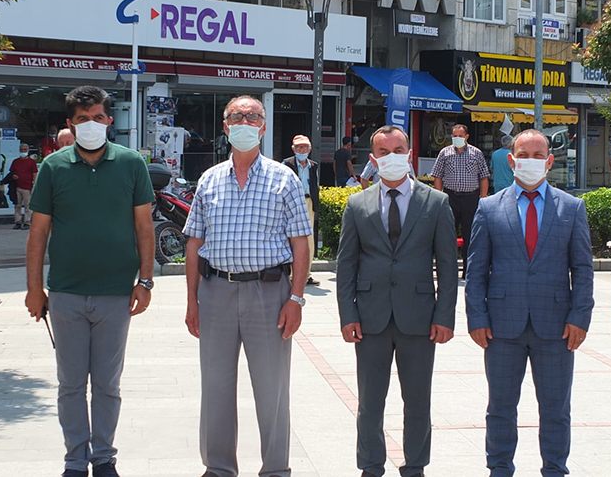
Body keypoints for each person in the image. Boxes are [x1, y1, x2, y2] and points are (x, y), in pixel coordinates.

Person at [25, 86, 155, 477]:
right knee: (70, 384)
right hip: (65, 294)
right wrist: (34, 288)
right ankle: (74, 461)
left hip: (116, 294)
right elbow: (38, 232)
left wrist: (146, 281)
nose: (91, 124)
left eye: (98, 117)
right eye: (82, 119)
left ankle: (104, 458)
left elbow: (144, 227)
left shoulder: (131, 163)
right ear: (70, 123)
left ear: (109, 120)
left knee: (107, 384)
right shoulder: (53, 167)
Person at [183, 95, 311, 477]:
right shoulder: (209, 180)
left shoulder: (284, 179)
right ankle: (218, 467)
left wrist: (296, 298)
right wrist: (192, 300)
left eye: (252, 116)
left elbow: (300, 244)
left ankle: (275, 469)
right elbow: (194, 243)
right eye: (237, 116)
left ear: (263, 126)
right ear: (225, 127)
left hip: (269, 294)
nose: (244, 122)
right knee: (216, 387)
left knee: (272, 389)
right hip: (216, 292)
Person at [466, 129, 594, 477]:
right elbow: (476, 270)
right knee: (500, 407)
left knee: (556, 408)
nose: (531, 162)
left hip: (556, 327)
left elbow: (583, 269)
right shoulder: (489, 208)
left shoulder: (572, 208)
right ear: (511, 160)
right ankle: (499, 468)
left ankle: (555, 469)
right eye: (524, 155)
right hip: (501, 326)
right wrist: (477, 317)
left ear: (550, 161)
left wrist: (580, 316)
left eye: (539, 156)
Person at [336, 125, 458, 477]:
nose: (392, 157)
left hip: (419, 317)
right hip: (370, 317)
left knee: (417, 400)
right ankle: (371, 465)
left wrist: (444, 316)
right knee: (370, 402)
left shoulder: (436, 203)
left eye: (398, 150)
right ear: (373, 160)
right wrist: (347, 314)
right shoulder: (357, 204)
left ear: (409, 154)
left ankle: (415, 466)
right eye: (383, 152)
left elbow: (447, 265)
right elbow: (346, 265)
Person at [430, 123, 489, 278]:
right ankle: (447, 270)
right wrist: (439, 196)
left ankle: (468, 270)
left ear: (466, 137)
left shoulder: (476, 153)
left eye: (460, 136)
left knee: (470, 235)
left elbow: (483, 176)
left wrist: (483, 198)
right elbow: (437, 175)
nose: (457, 138)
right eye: (454, 136)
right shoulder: (445, 153)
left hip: (471, 198)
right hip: (451, 197)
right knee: (448, 234)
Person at [283, 134, 321, 286]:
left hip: (309, 201)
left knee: (309, 237)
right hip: (292, 202)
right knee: (292, 236)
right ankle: (291, 274)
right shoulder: (287, 164)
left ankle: (307, 273)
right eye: (299, 147)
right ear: (293, 149)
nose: (302, 150)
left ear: (310, 149)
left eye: (305, 147)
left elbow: (315, 185)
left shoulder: (313, 166)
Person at [9, 143, 38, 230]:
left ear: (28, 151)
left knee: (27, 206)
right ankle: (17, 222)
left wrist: (34, 184)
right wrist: (13, 176)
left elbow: (34, 174)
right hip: (17, 186)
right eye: (22, 150)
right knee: (17, 205)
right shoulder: (15, 162)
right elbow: (11, 172)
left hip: (28, 187)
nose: (23, 151)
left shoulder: (31, 162)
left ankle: (27, 222)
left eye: (25, 150)